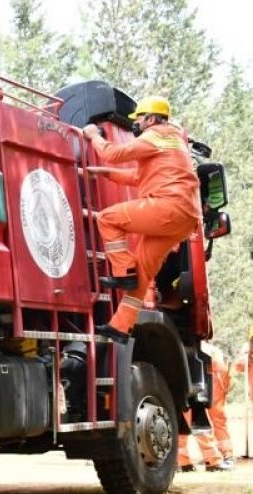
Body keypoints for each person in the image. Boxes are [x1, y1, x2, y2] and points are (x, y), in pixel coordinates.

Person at [81, 95, 202, 344]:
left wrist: (94, 135)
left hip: (167, 207)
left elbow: (113, 153)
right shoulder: (173, 141)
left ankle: (123, 271)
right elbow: (141, 177)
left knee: (107, 218)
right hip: (184, 217)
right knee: (143, 273)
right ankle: (120, 327)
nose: (138, 124)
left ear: (151, 118)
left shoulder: (155, 135)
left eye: (140, 119)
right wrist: (107, 174)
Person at [179, 343, 235, 472]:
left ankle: (182, 461)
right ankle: (217, 458)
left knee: (187, 416)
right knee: (203, 417)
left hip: (198, 374)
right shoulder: (210, 351)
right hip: (207, 373)